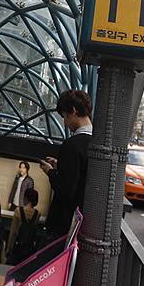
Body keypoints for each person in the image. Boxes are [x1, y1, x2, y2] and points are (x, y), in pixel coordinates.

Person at [39, 89, 93, 237]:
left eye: (65, 116)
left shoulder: (72, 145)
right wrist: (60, 166)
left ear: (74, 111)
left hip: (64, 224)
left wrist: (50, 171)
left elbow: (65, 190)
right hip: (85, 222)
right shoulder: (96, 142)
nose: (65, 123)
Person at [7, 188, 40, 265]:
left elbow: (13, 231)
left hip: (18, 245)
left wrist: (9, 248)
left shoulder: (18, 211)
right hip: (29, 246)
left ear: (26, 198)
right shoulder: (37, 214)